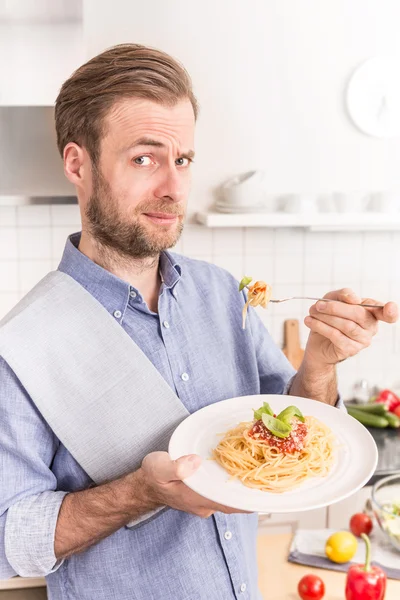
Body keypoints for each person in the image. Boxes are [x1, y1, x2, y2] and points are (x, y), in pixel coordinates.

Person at [0, 43, 397, 600]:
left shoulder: (222, 293)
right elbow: (7, 537)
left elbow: (292, 427)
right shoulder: (20, 347)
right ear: (77, 163)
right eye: (144, 158)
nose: (174, 188)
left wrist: (319, 362)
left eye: (182, 159)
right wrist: (141, 492)